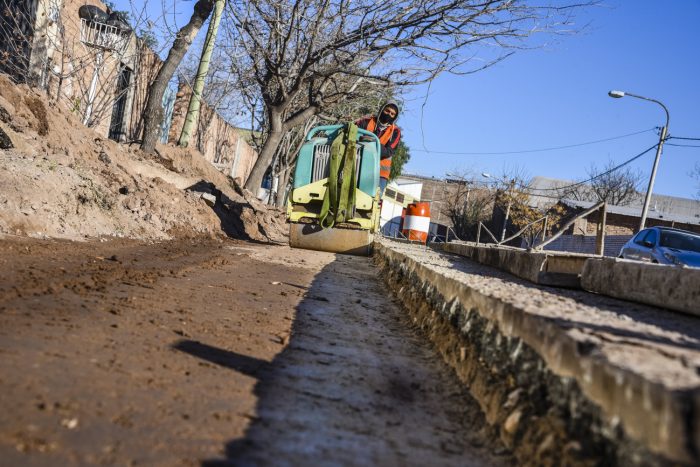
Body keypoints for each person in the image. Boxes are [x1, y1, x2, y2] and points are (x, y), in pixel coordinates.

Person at [356, 101, 401, 196]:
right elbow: (354, 136)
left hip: (380, 174)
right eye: (387, 111)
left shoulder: (395, 132)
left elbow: (389, 151)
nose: (389, 114)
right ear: (382, 109)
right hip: (358, 166)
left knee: (373, 200)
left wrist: (370, 144)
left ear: (395, 117)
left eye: (392, 114)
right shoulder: (365, 121)